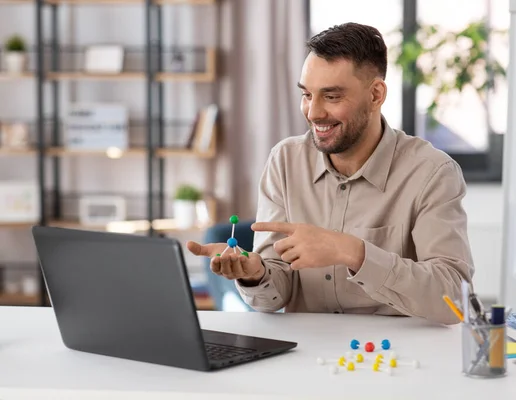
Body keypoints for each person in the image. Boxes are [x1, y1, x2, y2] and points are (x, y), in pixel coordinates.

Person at [187, 22, 474, 324]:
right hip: (306, 355)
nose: (313, 113)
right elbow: (273, 297)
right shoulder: (285, 160)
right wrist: (256, 274)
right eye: (307, 95)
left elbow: (455, 298)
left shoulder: (432, 172)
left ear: (376, 95)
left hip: (393, 358)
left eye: (332, 96)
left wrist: (353, 252)